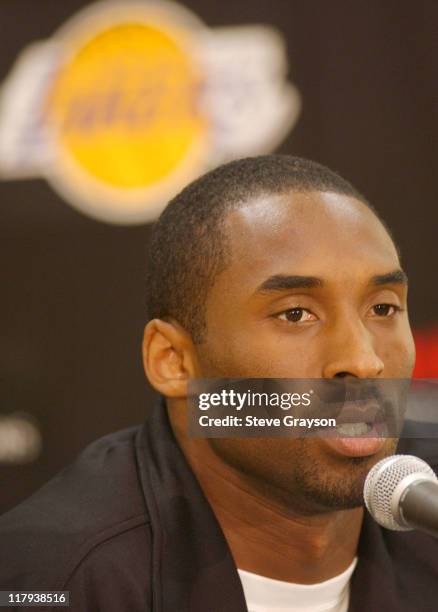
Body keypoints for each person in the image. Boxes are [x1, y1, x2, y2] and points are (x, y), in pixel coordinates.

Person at [1, 155, 437, 611]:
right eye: (295, 314)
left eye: (383, 309)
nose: (364, 361)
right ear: (174, 362)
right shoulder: (57, 581)